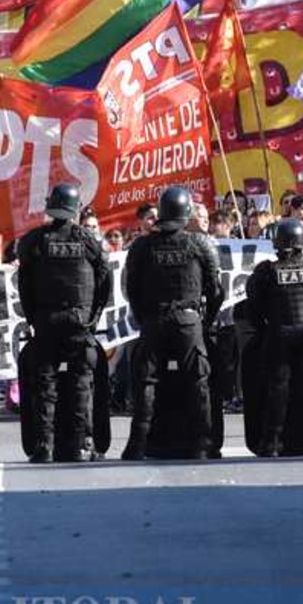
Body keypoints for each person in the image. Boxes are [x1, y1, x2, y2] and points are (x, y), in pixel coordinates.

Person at [123, 186, 223, 460]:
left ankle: (137, 445)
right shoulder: (200, 244)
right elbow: (215, 289)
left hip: (154, 319)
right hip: (188, 321)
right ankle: (202, 444)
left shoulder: (142, 245)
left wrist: (144, 318)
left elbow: (131, 288)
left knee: (146, 381)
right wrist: (204, 321)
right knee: (198, 382)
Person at [15, 183, 112, 463]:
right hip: (79, 323)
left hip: (46, 321)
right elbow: (104, 283)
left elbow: (25, 285)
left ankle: (45, 445)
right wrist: (91, 319)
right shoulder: (91, 241)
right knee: (81, 383)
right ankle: (82, 445)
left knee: (46, 384)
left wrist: (34, 319)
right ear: (76, 209)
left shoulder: (33, 241)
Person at [245, 217, 303, 456]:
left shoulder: (266, 271)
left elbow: (254, 304)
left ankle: (272, 441)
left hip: (279, 334)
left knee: (277, 388)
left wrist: (264, 328)